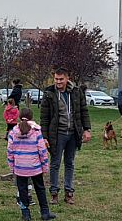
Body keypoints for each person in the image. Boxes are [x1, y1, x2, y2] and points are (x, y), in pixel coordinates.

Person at [39, 67, 92, 205]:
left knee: (70, 163)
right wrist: (44, 137)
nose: (58, 82)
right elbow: (44, 117)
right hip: (57, 134)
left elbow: (83, 111)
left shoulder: (76, 92)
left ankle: (69, 192)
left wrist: (87, 129)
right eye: (56, 79)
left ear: (67, 78)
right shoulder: (49, 93)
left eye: (61, 79)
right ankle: (54, 193)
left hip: (73, 133)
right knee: (55, 164)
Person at [6, 106, 56, 221]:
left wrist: (12, 167)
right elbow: (42, 150)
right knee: (40, 188)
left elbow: (10, 151)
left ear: (19, 116)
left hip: (20, 168)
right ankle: (45, 212)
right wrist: (45, 166)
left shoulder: (13, 132)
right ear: (31, 117)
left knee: (22, 189)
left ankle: (26, 214)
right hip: (35, 167)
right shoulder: (37, 132)